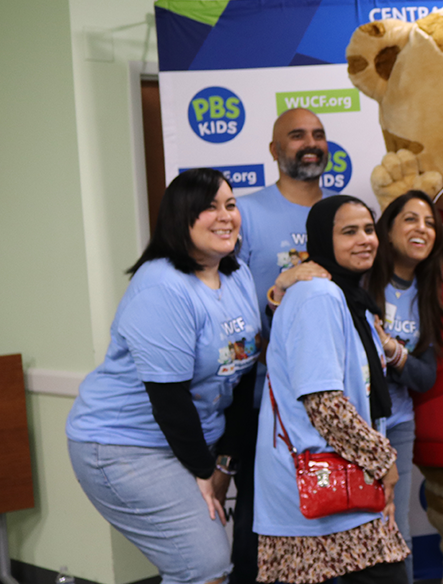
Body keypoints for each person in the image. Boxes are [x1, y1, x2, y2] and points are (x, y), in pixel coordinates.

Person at [66, 168, 260, 584]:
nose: (226, 216)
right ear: (180, 218)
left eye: (230, 204)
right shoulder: (162, 287)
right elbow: (169, 401)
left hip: (193, 441)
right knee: (204, 564)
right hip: (124, 446)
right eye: (209, 207)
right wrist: (205, 471)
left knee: (204, 566)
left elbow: (244, 380)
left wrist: (224, 463)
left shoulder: (237, 274)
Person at [253, 195, 410, 584]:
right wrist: (382, 462)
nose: (365, 240)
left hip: (342, 483)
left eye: (369, 230)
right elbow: (323, 403)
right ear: (323, 240)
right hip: (322, 486)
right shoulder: (319, 296)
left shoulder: (347, 297)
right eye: (349, 231)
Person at [230, 107, 332, 584]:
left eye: (317, 134)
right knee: (258, 512)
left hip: (329, 394)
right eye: (296, 136)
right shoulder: (245, 213)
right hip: (263, 396)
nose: (309, 143)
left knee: (328, 510)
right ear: (274, 151)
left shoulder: (342, 213)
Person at [365, 190, 443, 584]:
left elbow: (426, 376)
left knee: (396, 530)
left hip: (398, 424)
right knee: (350, 531)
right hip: (353, 428)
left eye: (430, 223)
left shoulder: (429, 293)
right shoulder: (362, 282)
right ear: (389, 229)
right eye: (411, 219)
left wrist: (393, 351)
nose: (422, 229)